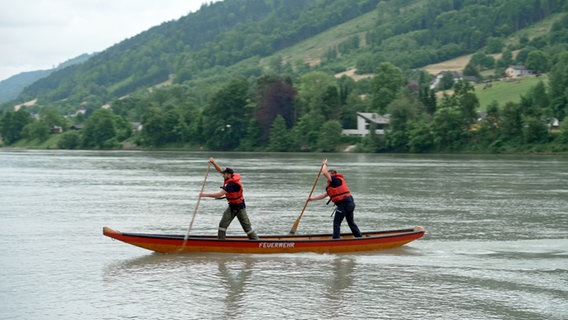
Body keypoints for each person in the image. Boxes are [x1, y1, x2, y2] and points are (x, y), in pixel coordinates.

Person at [200, 157, 259, 240]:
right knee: (222, 225)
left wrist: (204, 195)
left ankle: (256, 241)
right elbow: (219, 170)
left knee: (247, 228)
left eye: (224, 174)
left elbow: (219, 195)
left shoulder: (232, 184)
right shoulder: (229, 177)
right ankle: (221, 242)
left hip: (240, 208)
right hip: (231, 206)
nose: (222, 175)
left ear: (228, 175)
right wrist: (213, 162)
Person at [308, 159, 362, 239]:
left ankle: (336, 239)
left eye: (329, 175)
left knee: (336, 223)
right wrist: (312, 199)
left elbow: (324, 172)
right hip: (349, 204)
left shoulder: (335, 180)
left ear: (333, 174)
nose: (327, 177)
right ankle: (359, 237)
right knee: (351, 223)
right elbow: (324, 195)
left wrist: (324, 164)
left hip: (344, 205)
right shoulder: (332, 184)